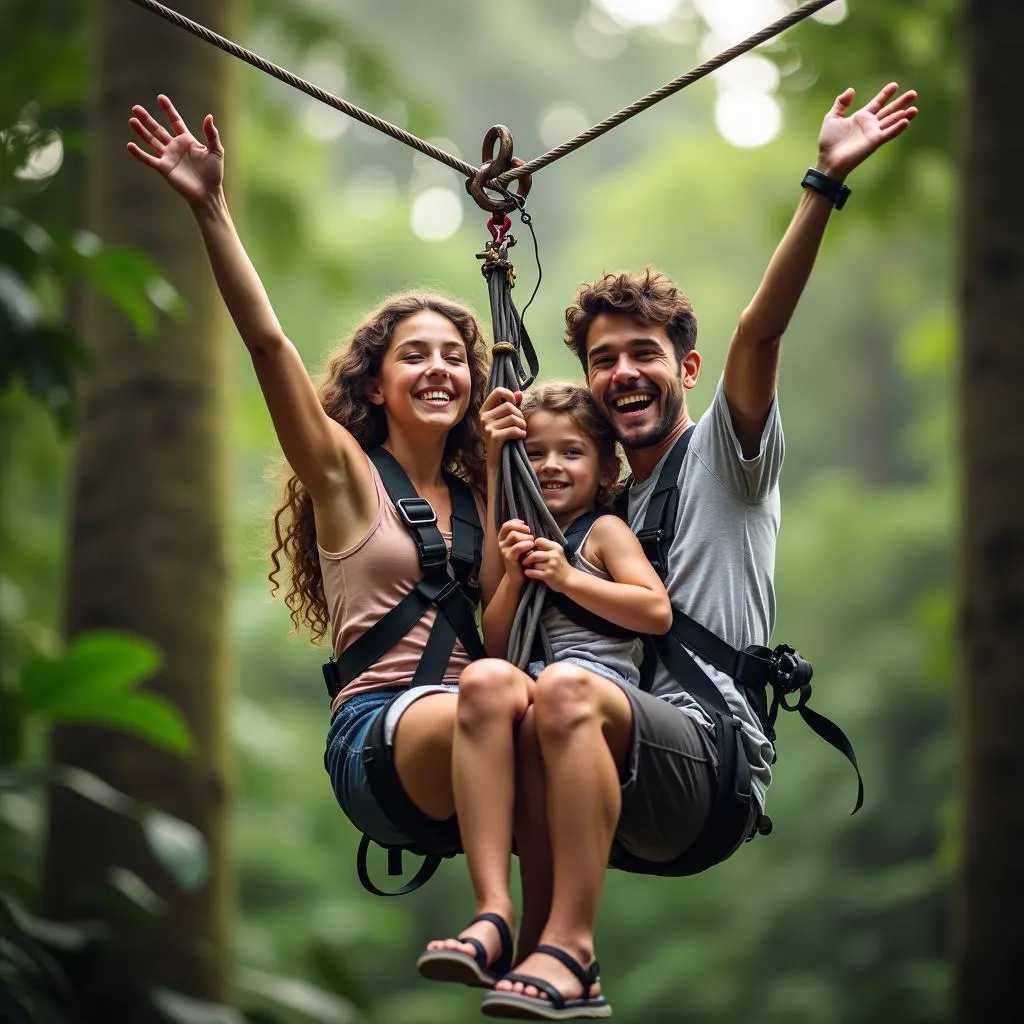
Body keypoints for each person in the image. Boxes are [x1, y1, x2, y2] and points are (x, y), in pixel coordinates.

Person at [469, 82, 918, 1020]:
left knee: (568, 692)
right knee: (507, 695)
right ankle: (512, 933)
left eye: (643, 353)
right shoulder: (595, 501)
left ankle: (574, 952)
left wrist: (822, 184)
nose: (623, 372)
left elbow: (760, 331)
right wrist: (503, 448)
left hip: (709, 757)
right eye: (603, 360)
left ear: (686, 368)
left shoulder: (727, 460)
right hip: (613, 763)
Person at [125, 94, 518, 878]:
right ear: (374, 387)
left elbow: (504, 637)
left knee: (547, 702)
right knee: (500, 694)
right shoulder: (344, 477)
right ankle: (493, 918)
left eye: (454, 358)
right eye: (414, 356)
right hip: (379, 740)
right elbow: (269, 346)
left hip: (478, 725)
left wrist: (509, 473)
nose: (439, 368)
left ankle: (556, 959)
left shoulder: (485, 498)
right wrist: (211, 209)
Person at [417, 381, 671, 1005]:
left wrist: (564, 576)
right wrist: (512, 574)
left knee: (554, 691)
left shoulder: (603, 533)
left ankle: (567, 945)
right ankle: (494, 910)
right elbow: (500, 643)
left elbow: (654, 610)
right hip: (534, 688)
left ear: (605, 469)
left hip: (595, 694)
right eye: (535, 454)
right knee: (480, 679)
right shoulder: (516, 533)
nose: (551, 466)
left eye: (571, 453)